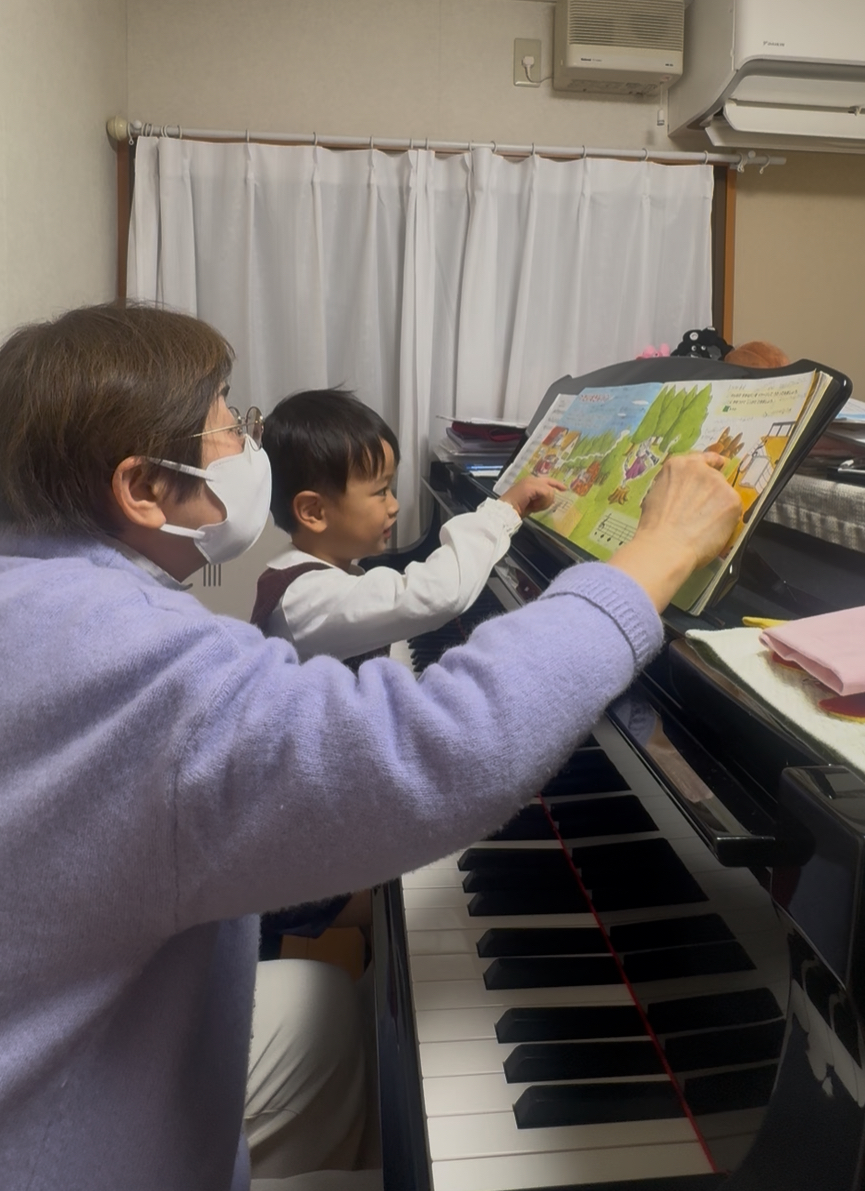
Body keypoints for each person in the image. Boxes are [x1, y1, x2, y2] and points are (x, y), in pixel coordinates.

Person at [0, 302, 741, 1191]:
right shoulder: (106, 647)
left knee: (321, 1007)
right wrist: (655, 553)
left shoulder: (39, 597)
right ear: (144, 487)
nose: (250, 446)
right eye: (231, 424)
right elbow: (439, 746)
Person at [253, 388, 562, 660]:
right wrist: (505, 511)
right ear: (314, 512)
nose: (395, 505)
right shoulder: (307, 600)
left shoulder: (315, 580)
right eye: (381, 492)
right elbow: (439, 593)